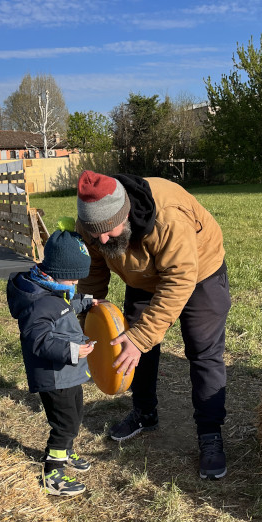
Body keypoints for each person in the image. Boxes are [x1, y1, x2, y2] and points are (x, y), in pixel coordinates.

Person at [75, 170, 231, 480]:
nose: (103, 239)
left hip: (199, 272)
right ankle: (144, 413)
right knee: (130, 342)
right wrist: (87, 317)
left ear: (126, 214)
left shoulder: (168, 218)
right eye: (96, 234)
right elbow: (93, 271)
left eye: (109, 230)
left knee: (203, 350)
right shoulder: (92, 227)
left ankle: (210, 434)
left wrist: (142, 336)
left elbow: (180, 278)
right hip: (143, 278)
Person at [7, 229, 97, 497]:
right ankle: (53, 473)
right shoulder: (38, 303)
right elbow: (38, 341)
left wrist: (86, 303)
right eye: (73, 279)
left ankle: (65, 452)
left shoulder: (50, 290)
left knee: (76, 413)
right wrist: (72, 350)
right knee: (65, 423)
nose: (74, 285)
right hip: (55, 376)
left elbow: (64, 308)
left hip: (67, 374)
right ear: (57, 271)